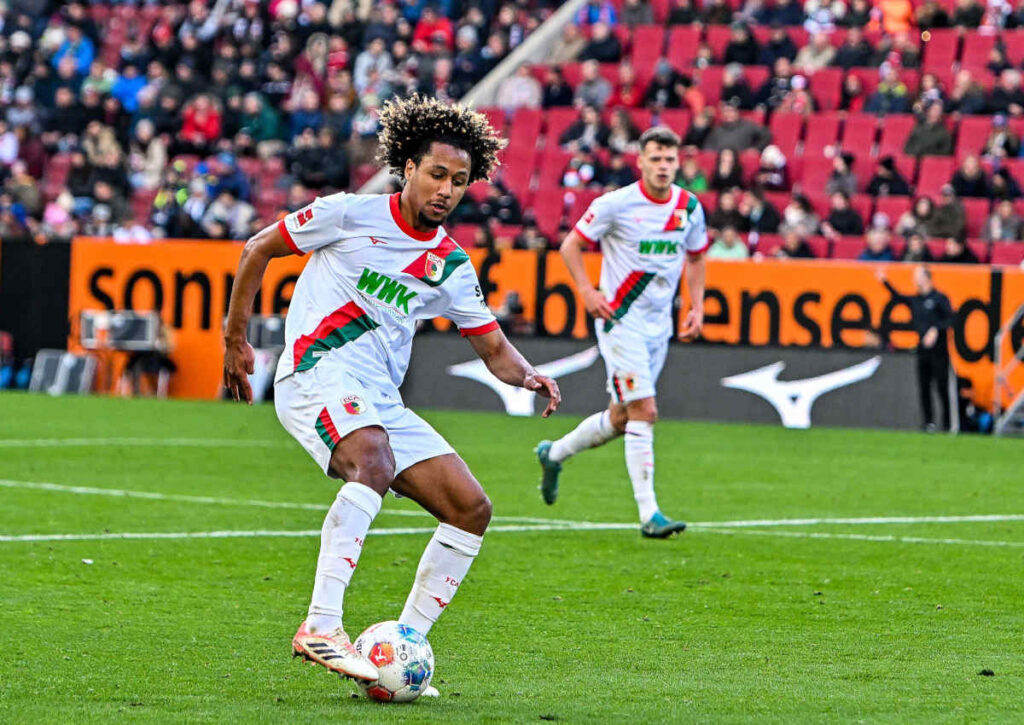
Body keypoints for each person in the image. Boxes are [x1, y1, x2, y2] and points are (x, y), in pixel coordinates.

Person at [222, 96, 561, 688]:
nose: (446, 190)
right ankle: (321, 626)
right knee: (371, 459)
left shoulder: (452, 265)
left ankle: (399, 652)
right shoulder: (348, 215)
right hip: (314, 374)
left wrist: (528, 374)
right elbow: (258, 249)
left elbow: (493, 348)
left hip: (379, 398)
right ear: (407, 167)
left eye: (459, 181)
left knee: (470, 508)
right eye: (436, 174)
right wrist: (235, 340)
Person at [535, 126, 707, 538]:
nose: (664, 166)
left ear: (678, 162)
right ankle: (650, 515)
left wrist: (697, 304)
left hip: (658, 325)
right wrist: (587, 291)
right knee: (645, 411)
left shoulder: (689, 207)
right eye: (656, 159)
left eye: (670, 159)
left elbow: (697, 257)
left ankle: (554, 454)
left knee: (620, 417)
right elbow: (570, 245)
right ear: (641, 161)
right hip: (619, 320)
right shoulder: (616, 204)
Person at [877, 266, 955, 431]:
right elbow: (898, 297)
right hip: (923, 350)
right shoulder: (915, 300)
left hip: (940, 352)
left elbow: (951, 319)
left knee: (942, 387)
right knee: (924, 387)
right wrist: (884, 281)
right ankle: (929, 422)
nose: (914, 279)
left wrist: (936, 329)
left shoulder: (940, 299)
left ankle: (948, 423)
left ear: (927, 278)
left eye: (917, 276)